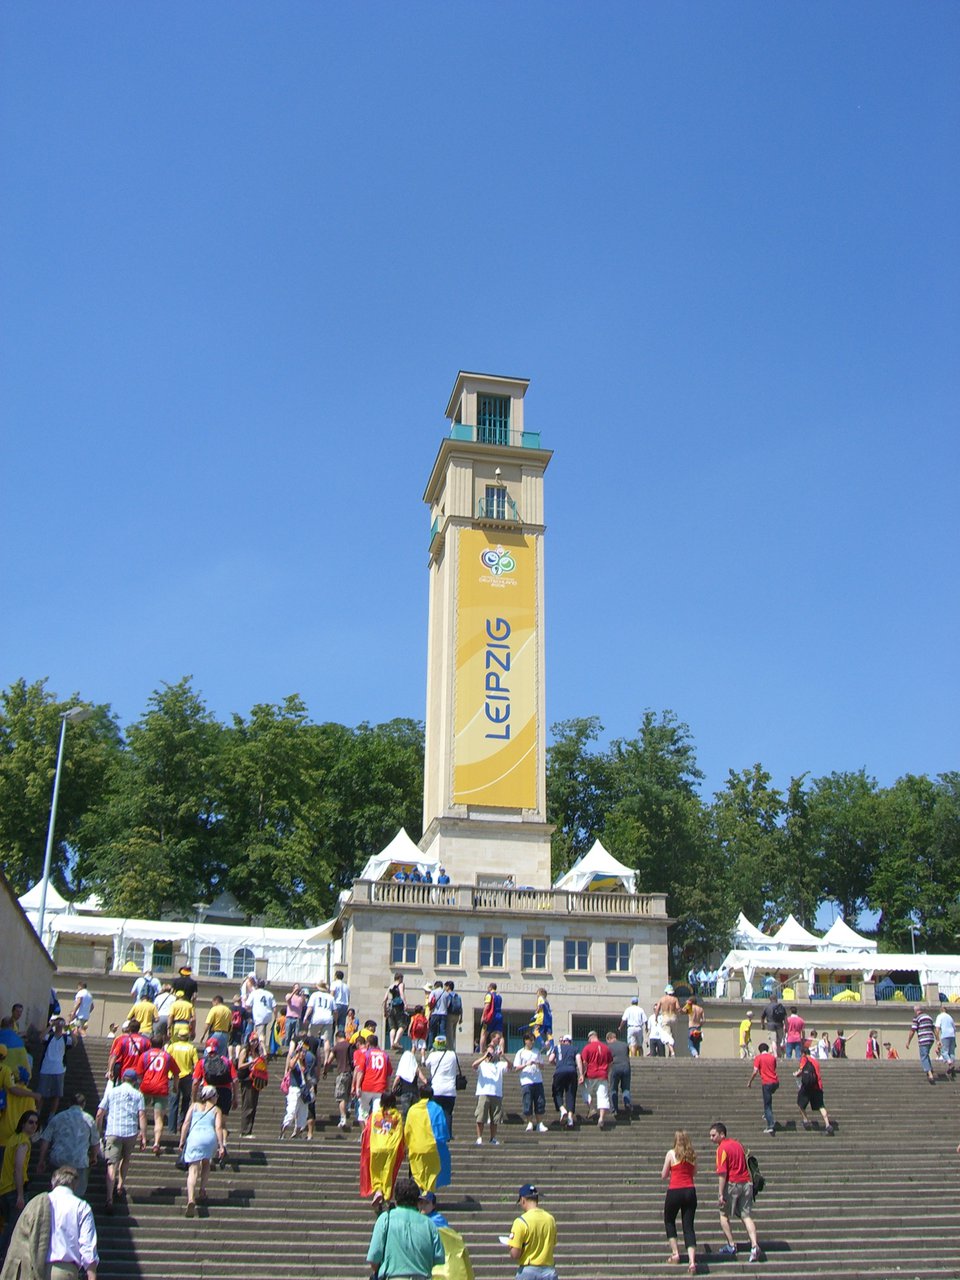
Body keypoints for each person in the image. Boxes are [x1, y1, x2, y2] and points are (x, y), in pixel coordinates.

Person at [0, 1165, 98, 1280]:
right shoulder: (81, 1207)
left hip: (35, 1270)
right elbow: (87, 1247)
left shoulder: (36, 1203)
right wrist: (92, 1276)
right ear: (75, 1185)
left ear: (53, 1183)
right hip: (66, 1272)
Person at [365, 1175, 444, 1280]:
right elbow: (439, 1258)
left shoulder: (386, 1219)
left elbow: (373, 1258)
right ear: (417, 1200)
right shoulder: (429, 1224)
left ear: (396, 1199)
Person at [96, 1069, 147, 1213]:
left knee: (111, 1163)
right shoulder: (138, 1095)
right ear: (135, 1081)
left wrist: (98, 1131)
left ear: (123, 1079)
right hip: (130, 1131)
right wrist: (143, 1135)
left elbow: (100, 1113)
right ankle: (120, 1185)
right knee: (126, 1159)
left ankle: (109, 1198)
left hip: (113, 1130)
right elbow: (142, 1116)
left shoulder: (111, 1092)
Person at [709, 1122, 761, 1262]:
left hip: (732, 1184)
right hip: (746, 1183)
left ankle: (731, 1245)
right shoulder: (738, 1144)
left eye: (713, 1135)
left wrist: (720, 1193)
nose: (711, 1138)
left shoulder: (721, 1149)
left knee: (723, 1214)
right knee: (746, 1215)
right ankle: (754, 1245)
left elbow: (722, 1173)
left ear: (722, 1134)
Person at [36, 1092, 100, 1197]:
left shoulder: (58, 1117)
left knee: (57, 1192)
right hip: (79, 1161)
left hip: (58, 1160)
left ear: (69, 1103)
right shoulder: (89, 1119)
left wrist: (41, 1159)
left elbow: (45, 1139)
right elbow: (95, 1142)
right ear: (83, 1104)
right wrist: (94, 1156)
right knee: (77, 1194)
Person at [178, 1084, 226, 1216]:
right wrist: (221, 1146)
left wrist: (182, 1140)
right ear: (211, 1096)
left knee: (193, 1169)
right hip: (209, 1138)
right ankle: (202, 1190)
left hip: (194, 1138)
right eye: (216, 1095)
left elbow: (186, 1123)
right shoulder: (216, 1110)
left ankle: (191, 1198)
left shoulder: (194, 1106)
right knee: (206, 1163)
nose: (217, 1097)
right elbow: (218, 1128)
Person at [0, 1111, 39, 1260]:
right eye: (30, 1122)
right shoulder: (23, 1141)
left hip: (4, 1188)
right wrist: (20, 1194)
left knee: (8, 1226)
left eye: (36, 1123)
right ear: (23, 1123)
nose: (34, 1125)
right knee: (13, 1229)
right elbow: (18, 1167)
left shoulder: (12, 1139)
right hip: (13, 1190)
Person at [359, 1090, 406, 1208]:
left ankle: (378, 1190)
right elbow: (400, 1133)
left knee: (375, 1171)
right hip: (390, 1148)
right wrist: (403, 1148)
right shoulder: (397, 1116)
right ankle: (387, 1195)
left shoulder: (375, 1115)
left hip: (376, 1147)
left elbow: (367, 1131)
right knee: (388, 1171)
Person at [661, 1130, 698, 1274]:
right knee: (688, 1226)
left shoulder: (671, 1154)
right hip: (690, 1190)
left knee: (669, 1220)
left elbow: (664, 1175)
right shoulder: (692, 1155)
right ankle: (692, 1262)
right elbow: (694, 1173)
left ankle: (675, 1253)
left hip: (675, 1191)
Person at [136, 1033, 180, 1154]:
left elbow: (139, 1074)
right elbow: (176, 1073)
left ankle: (143, 1137)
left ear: (150, 1044)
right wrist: (175, 1087)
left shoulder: (144, 1055)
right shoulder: (167, 1056)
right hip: (161, 1087)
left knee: (142, 1113)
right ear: (162, 1045)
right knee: (158, 1118)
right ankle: (156, 1143)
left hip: (146, 1087)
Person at [505, 1182, 557, 1280]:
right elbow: (552, 1244)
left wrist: (510, 1245)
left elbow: (515, 1254)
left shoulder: (520, 1222)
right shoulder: (550, 1219)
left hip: (528, 1272)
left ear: (523, 1200)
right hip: (549, 1272)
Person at [404, 1087, 450, 1194]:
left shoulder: (413, 1109)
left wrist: (405, 1146)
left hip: (416, 1147)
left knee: (417, 1174)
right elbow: (442, 1127)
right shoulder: (437, 1109)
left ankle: (420, 1195)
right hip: (432, 1147)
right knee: (431, 1173)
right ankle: (427, 1195)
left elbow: (407, 1130)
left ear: (420, 1095)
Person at [473, 1034, 509, 1145]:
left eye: (491, 1053)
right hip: (484, 1093)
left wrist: (503, 1056)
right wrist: (485, 1056)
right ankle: (479, 1138)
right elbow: (474, 1065)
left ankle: (493, 1138)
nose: (490, 1055)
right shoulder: (482, 1064)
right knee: (480, 1117)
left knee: (495, 1119)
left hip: (496, 1093)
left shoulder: (499, 1064)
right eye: (489, 1052)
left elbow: (511, 1066)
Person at [36, 1019, 72, 1125]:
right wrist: (51, 1025)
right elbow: (41, 1037)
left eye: (61, 1023)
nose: (60, 1025)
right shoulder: (50, 1036)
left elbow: (74, 1042)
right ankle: (37, 1114)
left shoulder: (65, 1038)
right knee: (41, 1093)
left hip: (59, 1069)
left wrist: (68, 1028)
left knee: (56, 1094)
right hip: (46, 1068)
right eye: (58, 1023)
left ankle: (51, 1117)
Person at [794, 1045, 835, 1134]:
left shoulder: (804, 1059)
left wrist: (796, 1075)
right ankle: (827, 1124)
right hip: (817, 1086)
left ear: (803, 1054)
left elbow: (801, 1070)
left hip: (807, 1087)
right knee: (821, 1106)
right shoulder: (815, 1061)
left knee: (800, 1103)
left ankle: (805, 1120)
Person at [235, 1030, 268, 1137]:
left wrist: (262, 1044)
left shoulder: (257, 1052)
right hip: (246, 1080)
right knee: (247, 1105)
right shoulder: (245, 1051)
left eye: (256, 1041)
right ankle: (244, 1131)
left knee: (253, 1106)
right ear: (249, 1041)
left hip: (255, 1080)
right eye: (253, 1041)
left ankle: (249, 1130)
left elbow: (265, 1057)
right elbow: (239, 1065)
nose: (255, 1043)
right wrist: (251, 1062)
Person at [166, 1027, 199, 1135]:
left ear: (178, 1037)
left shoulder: (172, 1047)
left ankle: (171, 1128)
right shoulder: (191, 1048)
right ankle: (182, 1124)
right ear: (188, 1037)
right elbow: (196, 1063)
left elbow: (166, 1060)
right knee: (186, 1101)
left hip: (173, 1077)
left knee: (173, 1103)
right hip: (187, 1077)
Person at [577, 1029, 613, 1128]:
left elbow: (584, 1062)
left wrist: (582, 1075)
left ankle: (591, 1107)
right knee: (603, 1096)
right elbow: (610, 1063)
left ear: (591, 1037)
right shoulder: (606, 1048)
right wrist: (607, 1073)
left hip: (590, 1074)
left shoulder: (587, 1048)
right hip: (603, 1075)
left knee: (584, 1090)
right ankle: (601, 1118)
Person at [280, 1039, 315, 1140]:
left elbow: (308, 1078)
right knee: (291, 1110)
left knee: (303, 1112)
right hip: (294, 1089)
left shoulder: (305, 1064)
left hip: (304, 1090)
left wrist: (311, 1087)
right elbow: (290, 1066)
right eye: (302, 1052)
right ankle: (283, 1130)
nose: (303, 1054)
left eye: (305, 1052)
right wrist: (296, 1054)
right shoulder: (296, 1063)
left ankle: (299, 1132)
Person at [424, 1035, 459, 1137]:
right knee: (448, 1112)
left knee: (435, 1112)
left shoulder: (432, 1055)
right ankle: (448, 1133)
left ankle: (435, 1133)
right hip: (450, 1089)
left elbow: (426, 1064)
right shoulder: (452, 1054)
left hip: (437, 1088)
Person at [353, 1035, 393, 1123]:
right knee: (377, 1112)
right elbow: (389, 1074)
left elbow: (360, 1071)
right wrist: (387, 1087)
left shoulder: (365, 1054)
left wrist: (357, 1086)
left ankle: (364, 1133)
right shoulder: (385, 1055)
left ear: (368, 1044)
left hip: (366, 1086)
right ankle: (374, 1134)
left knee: (363, 1111)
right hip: (380, 1087)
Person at [514, 1032, 547, 1133]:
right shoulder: (520, 1052)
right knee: (527, 1101)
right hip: (526, 1081)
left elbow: (542, 1066)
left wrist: (537, 1063)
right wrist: (526, 1065)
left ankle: (540, 1123)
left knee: (540, 1102)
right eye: (530, 1040)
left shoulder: (537, 1051)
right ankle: (529, 1122)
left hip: (537, 1080)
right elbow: (516, 1068)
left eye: (533, 1040)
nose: (532, 1042)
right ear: (525, 1041)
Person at [325, 1029, 356, 1129]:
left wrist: (325, 1071)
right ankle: (349, 1107)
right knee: (348, 1094)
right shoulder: (350, 1045)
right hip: (351, 1073)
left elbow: (328, 1061)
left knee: (340, 1097)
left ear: (337, 1037)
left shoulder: (337, 1047)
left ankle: (343, 1118)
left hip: (342, 1073)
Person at [748, 1042, 779, 1135]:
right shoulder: (772, 1057)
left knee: (767, 1105)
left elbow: (755, 1071)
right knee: (769, 1100)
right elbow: (774, 1068)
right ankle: (767, 1115)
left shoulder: (758, 1058)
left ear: (760, 1050)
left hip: (767, 1083)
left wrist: (750, 1081)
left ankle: (770, 1125)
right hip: (776, 1082)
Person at [391, 1042, 427, 1120]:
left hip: (405, 1093)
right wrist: (427, 1084)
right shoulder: (415, 1067)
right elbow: (423, 1078)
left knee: (406, 1113)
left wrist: (393, 1088)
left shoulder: (402, 1067)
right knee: (414, 1113)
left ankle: (406, 1128)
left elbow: (397, 1078)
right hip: (415, 1092)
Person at [548, 1034, 578, 1128]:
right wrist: (581, 1073)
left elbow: (550, 1059)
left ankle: (562, 1109)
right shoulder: (574, 1048)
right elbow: (578, 1060)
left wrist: (557, 1064)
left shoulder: (557, 1048)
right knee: (571, 1094)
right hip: (572, 1072)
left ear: (563, 1041)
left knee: (557, 1092)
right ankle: (570, 1119)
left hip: (559, 1072)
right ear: (570, 1041)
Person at [906, 1005, 938, 1083]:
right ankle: (931, 1070)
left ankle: (930, 1074)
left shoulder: (916, 1018)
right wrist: (938, 1040)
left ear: (916, 1011)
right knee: (926, 1054)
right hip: (931, 1039)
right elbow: (934, 1029)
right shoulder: (929, 1017)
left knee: (923, 1056)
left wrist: (908, 1042)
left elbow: (912, 1030)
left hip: (923, 1039)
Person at [605, 1031, 633, 1117]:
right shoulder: (625, 1044)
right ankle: (627, 1103)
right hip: (626, 1067)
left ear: (609, 1039)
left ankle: (614, 1109)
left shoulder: (608, 1047)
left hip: (615, 1067)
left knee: (613, 1089)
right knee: (626, 1089)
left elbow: (607, 1059)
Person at [305, 982, 336, 1055]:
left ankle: (308, 1054)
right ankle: (326, 1059)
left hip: (316, 1018)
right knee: (327, 1040)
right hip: (328, 1019)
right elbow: (335, 1011)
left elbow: (310, 1008)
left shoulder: (314, 995)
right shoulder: (330, 997)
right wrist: (335, 1020)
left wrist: (305, 1017)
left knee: (310, 1037)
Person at [385, 973, 408, 1050]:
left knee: (392, 1028)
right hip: (399, 1007)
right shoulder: (401, 984)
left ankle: (392, 1044)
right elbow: (401, 993)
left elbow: (385, 998)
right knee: (402, 1025)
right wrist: (405, 1003)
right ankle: (396, 1042)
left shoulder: (390, 986)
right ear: (400, 978)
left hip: (391, 1007)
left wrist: (385, 1010)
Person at [479, 982, 503, 1053]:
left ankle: (481, 1051)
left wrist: (483, 1016)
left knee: (484, 1034)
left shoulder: (489, 995)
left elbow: (487, 1006)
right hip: (499, 1016)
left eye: (488, 987)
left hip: (490, 1017)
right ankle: (501, 1050)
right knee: (500, 1035)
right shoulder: (499, 996)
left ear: (490, 987)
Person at [935, 1006, 956, 1078]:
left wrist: (937, 1040)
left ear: (940, 1011)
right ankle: (951, 1067)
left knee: (944, 1052)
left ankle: (950, 1064)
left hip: (945, 1035)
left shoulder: (940, 1016)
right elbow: (954, 1028)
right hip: (952, 1035)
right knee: (952, 1052)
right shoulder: (950, 1017)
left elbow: (937, 1028)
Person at [331, 971, 350, 1037]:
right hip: (345, 1005)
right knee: (341, 1025)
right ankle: (341, 1041)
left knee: (332, 1024)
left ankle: (331, 1043)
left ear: (336, 976)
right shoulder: (346, 986)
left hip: (336, 1004)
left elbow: (332, 995)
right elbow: (348, 997)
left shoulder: (334, 984)